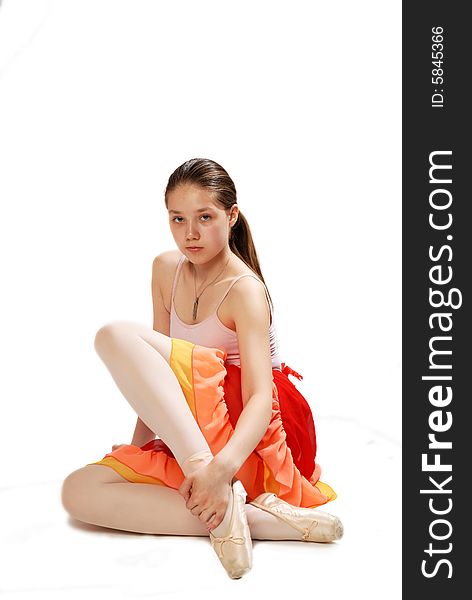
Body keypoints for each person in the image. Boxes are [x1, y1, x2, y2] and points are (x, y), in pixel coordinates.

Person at [61, 157, 343, 579]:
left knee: (113, 334)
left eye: (205, 217)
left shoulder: (245, 290)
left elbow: (261, 400)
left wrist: (218, 470)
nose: (189, 233)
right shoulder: (163, 270)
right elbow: (153, 374)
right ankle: (250, 516)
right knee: (77, 492)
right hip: (194, 428)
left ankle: (217, 486)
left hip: (248, 439)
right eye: (177, 219)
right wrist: (137, 450)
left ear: (231, 217)